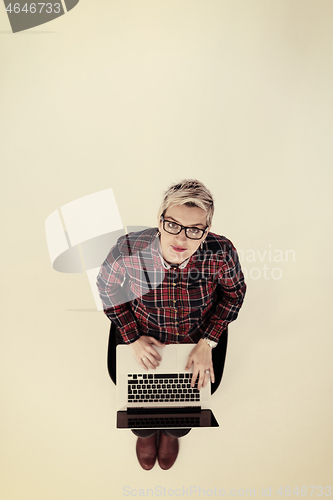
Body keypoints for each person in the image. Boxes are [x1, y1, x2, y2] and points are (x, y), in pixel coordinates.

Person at [96, 179, 246, 470]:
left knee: (185, 413)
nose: (181, 238)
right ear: (160, 221)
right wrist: (132, 336)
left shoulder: (221, 252)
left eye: (194, 230)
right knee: (136, 411)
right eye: (173, 225)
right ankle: (146, 433)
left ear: (206, 230)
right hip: (142, 335)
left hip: (198, 340)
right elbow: (106, 288)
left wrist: (207, 342)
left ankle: (172, 434)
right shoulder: (128, 249)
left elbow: (234, 294)